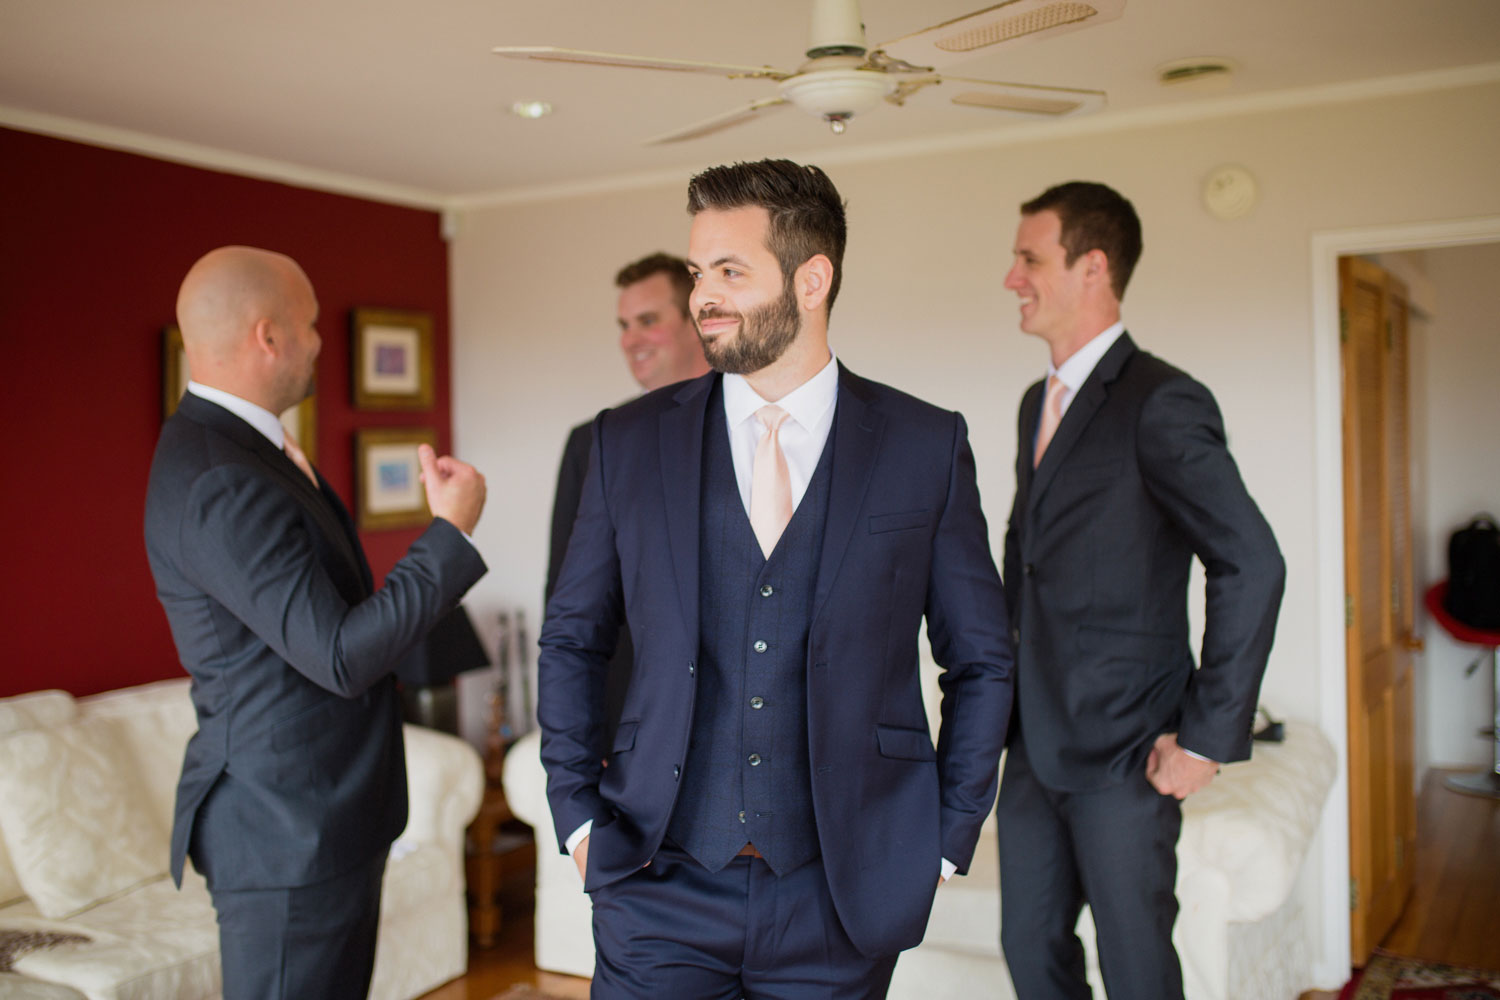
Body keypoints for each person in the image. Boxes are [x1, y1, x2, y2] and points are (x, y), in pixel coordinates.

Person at [538, 158, 1014, 998]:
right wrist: (577, 817)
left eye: (730, 271)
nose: (703, 297)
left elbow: (980, 659)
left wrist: (943, 838)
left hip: (840, 896)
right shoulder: (626, 442)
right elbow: (574, 638)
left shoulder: (923, 444)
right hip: (656, 887)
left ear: (812, 279)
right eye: (697, 272)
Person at [143, 246, 488, 1000]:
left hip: (319, 819)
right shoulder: (220, 476)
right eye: (309, 324)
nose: (322, 342)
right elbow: (339, 653)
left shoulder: (245, 450)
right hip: (283, 831)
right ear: (268, 336)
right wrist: (449, 537)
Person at [997, 182, 1285, 1000]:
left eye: (1029, 259)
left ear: (1093, 267)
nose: (1011, 278)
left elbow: (1252, 562)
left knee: (1136, 967)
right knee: (1031, 952)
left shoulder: (1162, 400)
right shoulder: (1035, 404)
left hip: (1126, 748)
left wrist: (1204, 739)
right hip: (1031, 747)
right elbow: (1034, 566)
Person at [545, 252, 709, 741]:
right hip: (630, 723)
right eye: (624, 324)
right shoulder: (592, 443)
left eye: (648, 321)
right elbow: (569, 608)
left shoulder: (759, 429)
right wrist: (580, 735)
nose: (630, 339)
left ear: (696, 320)